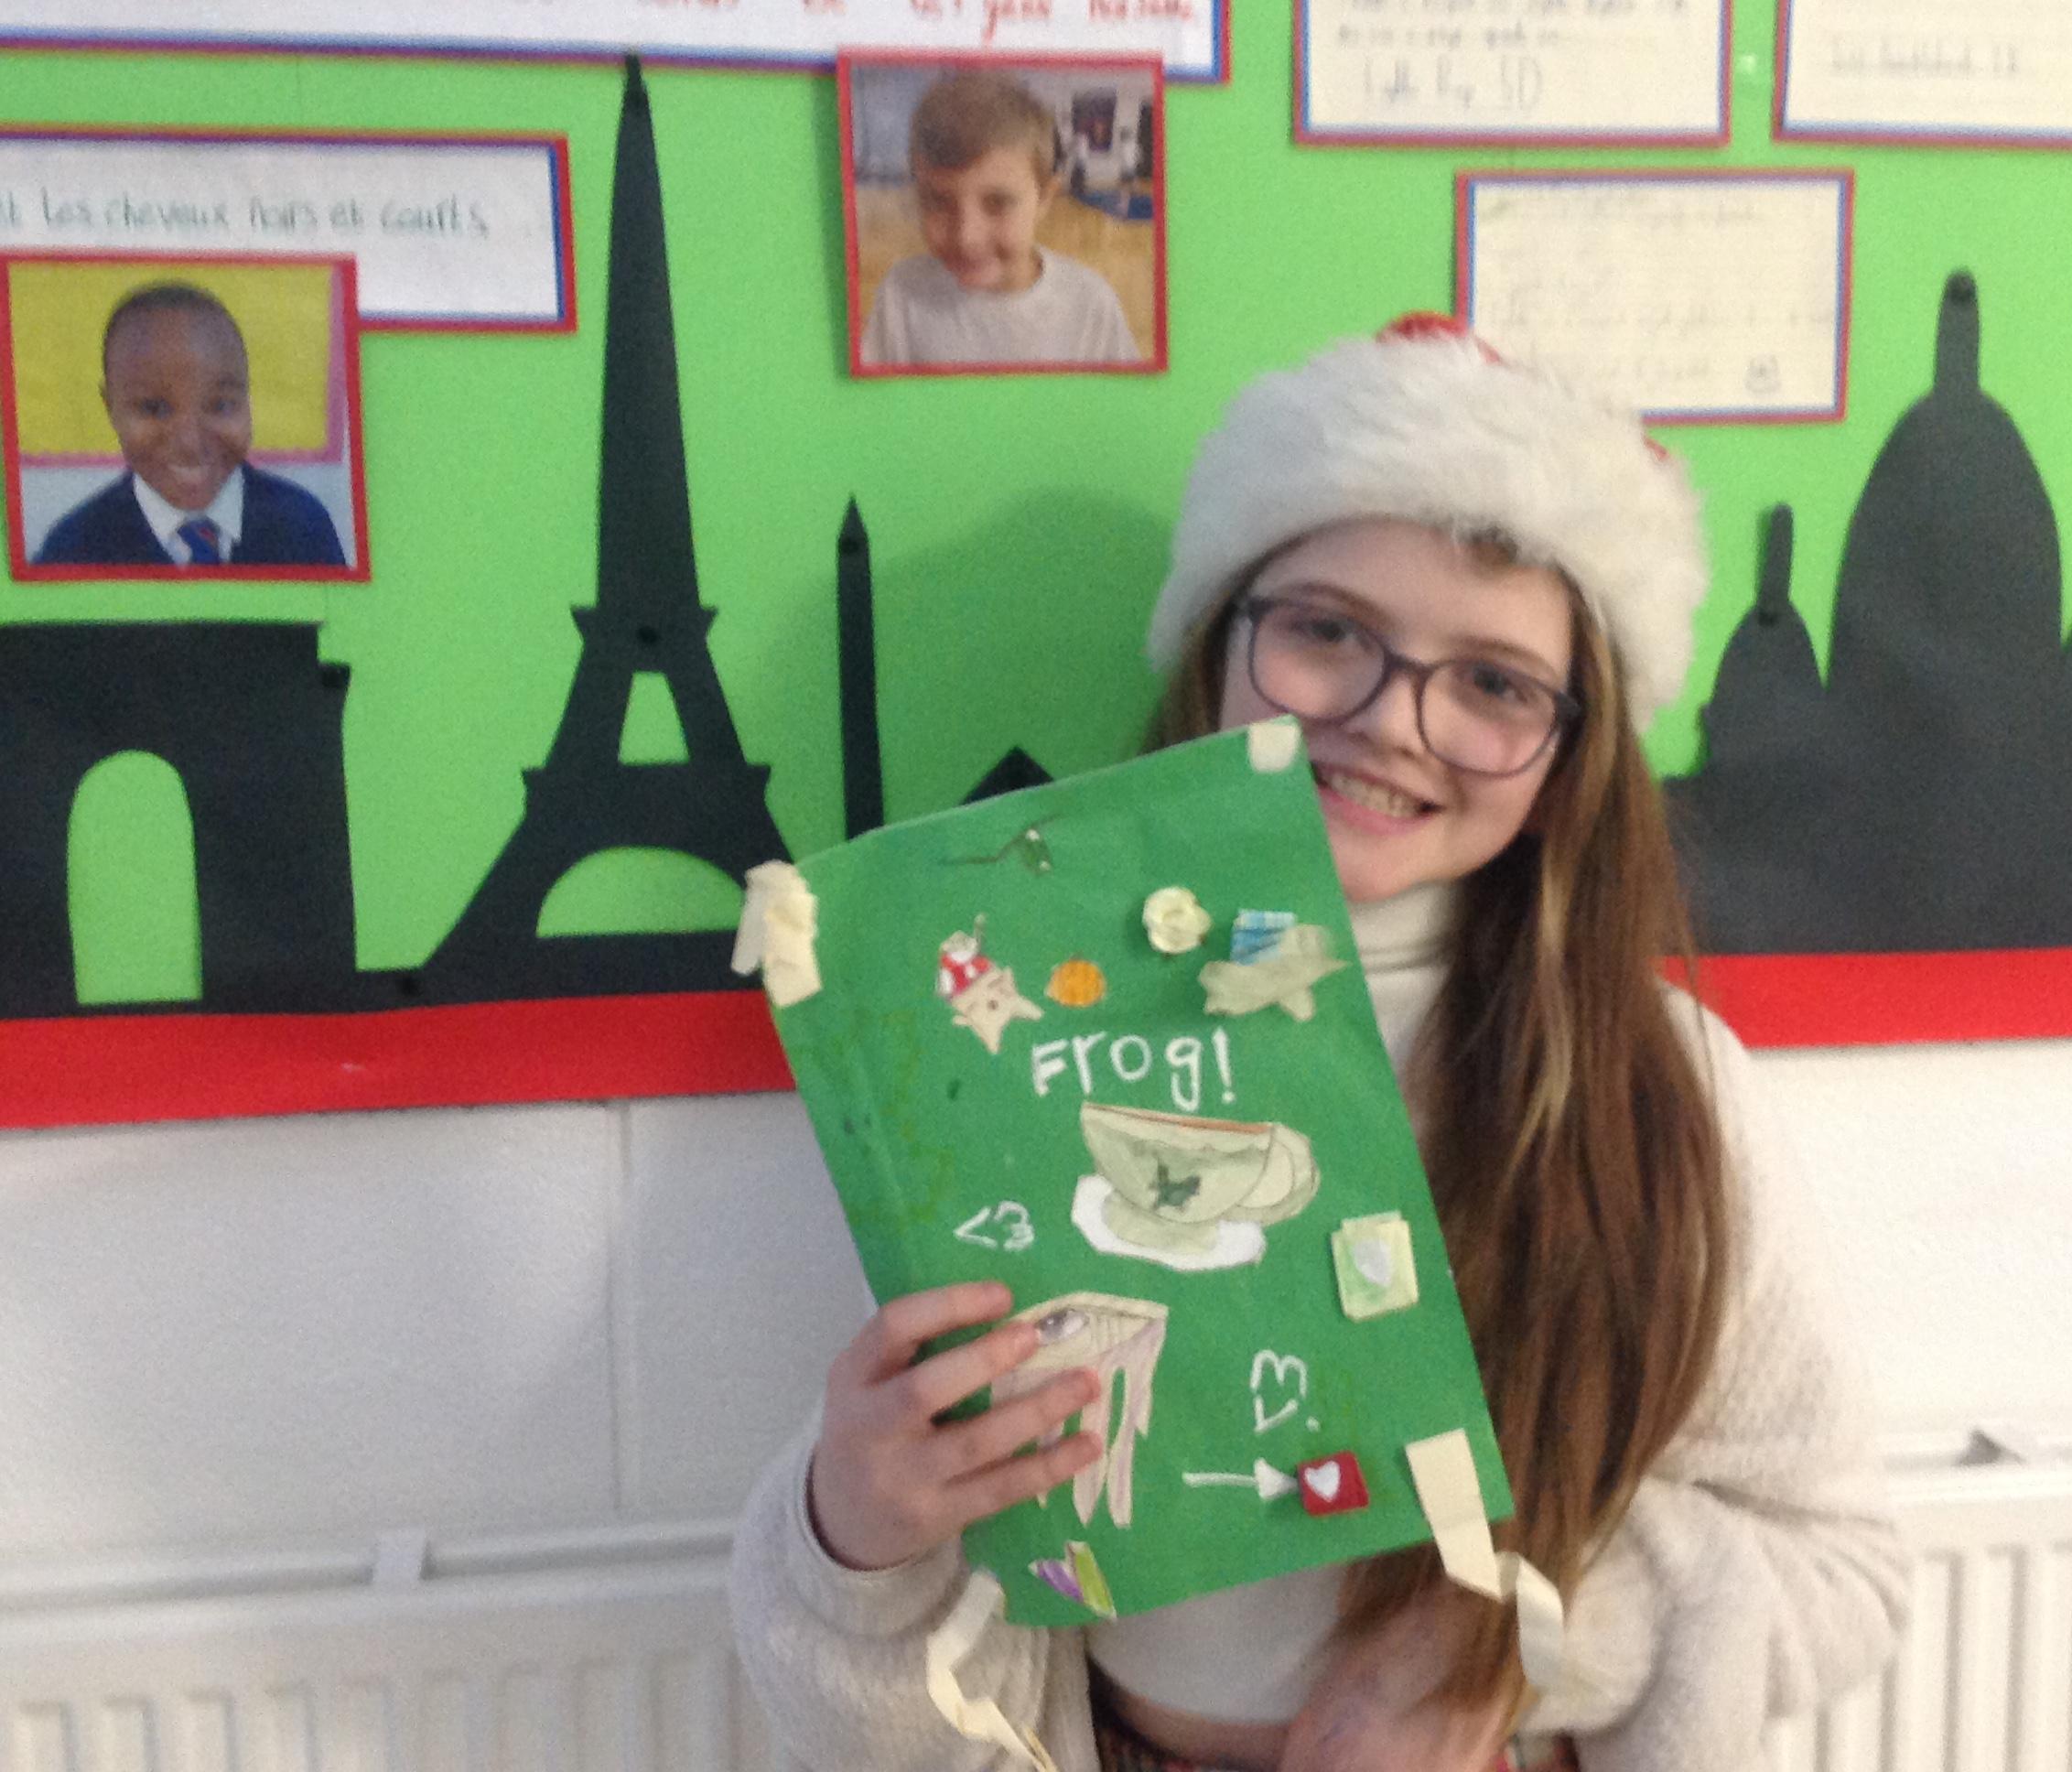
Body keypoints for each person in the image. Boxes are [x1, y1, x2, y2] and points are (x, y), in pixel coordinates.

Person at [732, 315, 1909, 1769]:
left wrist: (1513, 1642)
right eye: (1327, 631)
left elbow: (1839, 1569)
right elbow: (890, 1676)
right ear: (1220, 645)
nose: (1391, 721)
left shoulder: (1652, 1082)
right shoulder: (1015, 1030)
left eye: (1494, 682)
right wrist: (852, 1537)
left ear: (1570, 754)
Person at [33, 282, 347, 569]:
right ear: (110, 408)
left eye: (221, 406)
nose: (190, 444)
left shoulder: (304, 526)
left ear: (247, 398)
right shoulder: (71, 549)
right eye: (154, 409)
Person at [859, 70, 1141, 370]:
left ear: (1045, 198)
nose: (967, 238)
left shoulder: (1090, 305)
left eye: (998, 203)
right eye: (938, 203)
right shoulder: (901, 294)